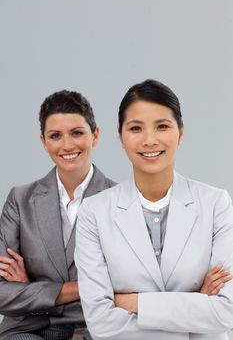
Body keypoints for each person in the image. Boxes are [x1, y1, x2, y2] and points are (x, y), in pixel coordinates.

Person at [75, 79, 233, 340]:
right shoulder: (94, 212)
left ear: (181, 133)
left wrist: (133, 303)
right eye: (136, 128)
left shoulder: (216, 203)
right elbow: (100, 323)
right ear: (121, 136)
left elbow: (226, 311)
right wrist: (196, 305)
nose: (149, 140)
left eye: (162, 126)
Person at [0, 90, 115, 340]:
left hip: (98, 330)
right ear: (43, 141)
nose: (67, 145)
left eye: (77, 133)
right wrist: (88, 287)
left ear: (95, 135)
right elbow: (2, 293)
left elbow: (135, 287)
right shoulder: (20, 200)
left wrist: (32, 289)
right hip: (31, 329)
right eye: (55, 136)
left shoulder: (121, 200)